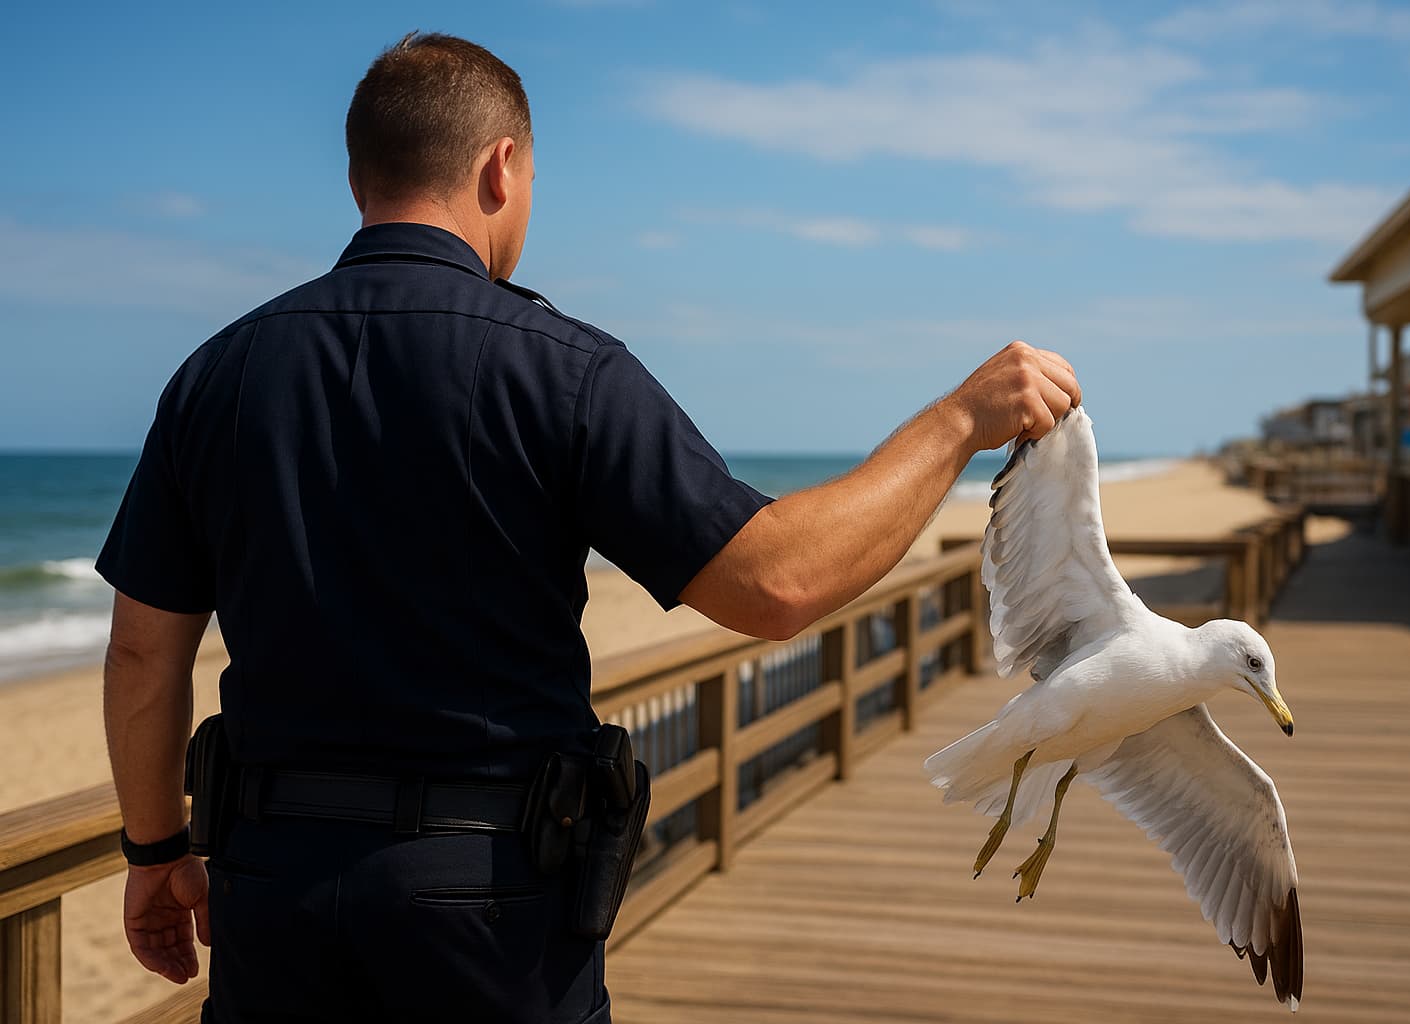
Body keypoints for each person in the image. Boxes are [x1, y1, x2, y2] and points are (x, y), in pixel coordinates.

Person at [98, 31, 1081, 1024]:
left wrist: (153, 853)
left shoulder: (216, 374)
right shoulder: (561, 369)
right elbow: (774, 583)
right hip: (487, 904)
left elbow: (143, 653)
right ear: (502, 166)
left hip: (274, 894)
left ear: (361, 178)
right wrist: (958, 421)